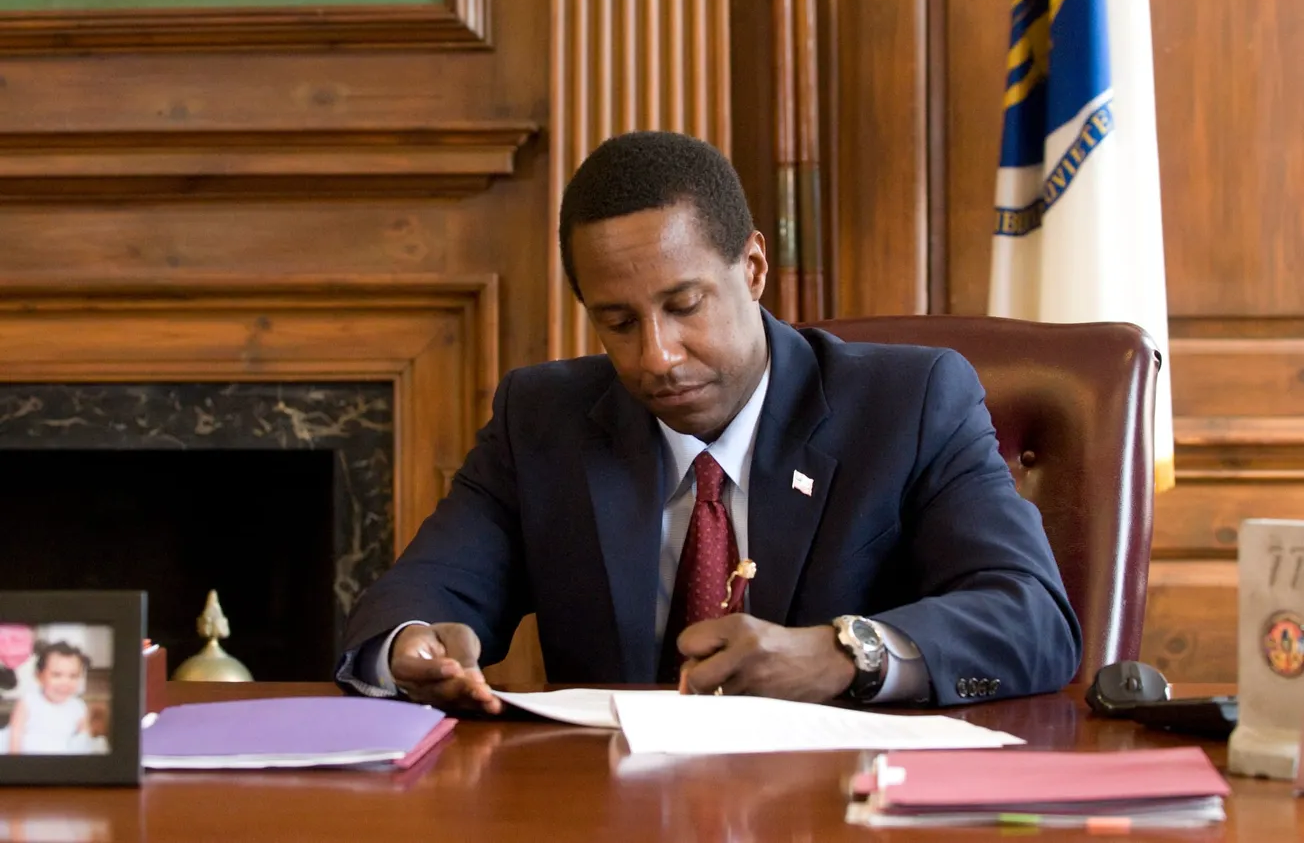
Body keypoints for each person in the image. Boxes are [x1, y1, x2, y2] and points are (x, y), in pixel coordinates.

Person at [337, 130, 1082, 713]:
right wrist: (410, 647)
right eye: (619, 322)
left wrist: (845, 654)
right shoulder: (542, 419)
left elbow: (1031, 618)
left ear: (752, 269)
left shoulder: (909, 404)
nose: (657, 357)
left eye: (684, 306)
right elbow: (415, 597)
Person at [7, 641, 92, 754]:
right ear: (39, 676)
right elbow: (15, 736)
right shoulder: (28, 702)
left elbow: (83, 739)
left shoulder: (78, 707)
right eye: (57, 675)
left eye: (73, 676)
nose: (65, 682)